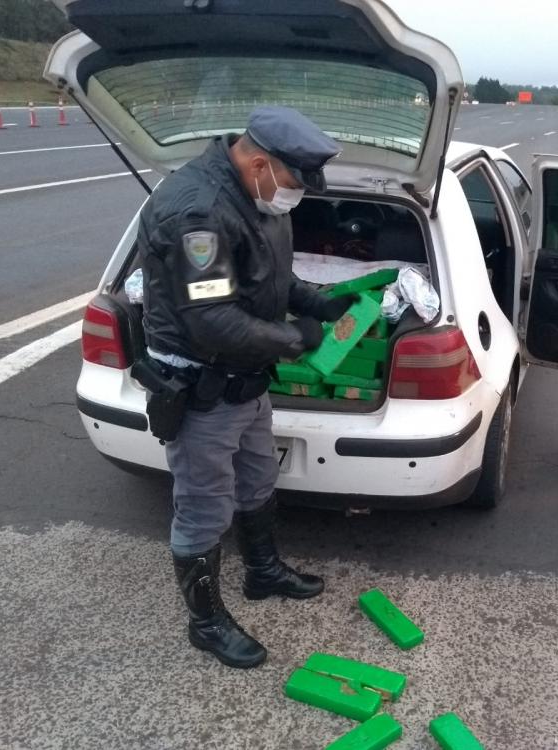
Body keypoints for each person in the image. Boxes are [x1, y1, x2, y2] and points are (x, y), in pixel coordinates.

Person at [137, 106, 358, 668]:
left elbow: (269, 277)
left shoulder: (259, 193)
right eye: (292, 182)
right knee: (203, 509)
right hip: (201, 384)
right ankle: (205, 623)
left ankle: (262, 572)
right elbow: (212, 320)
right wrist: (296, 339)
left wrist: (316, 301)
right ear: (259, 162)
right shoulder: (199, 212)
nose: (295, 196)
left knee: (259, 477)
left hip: (246, 379)